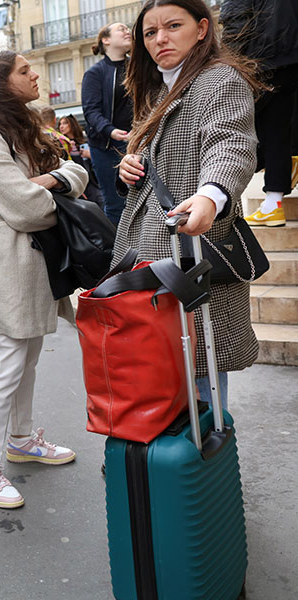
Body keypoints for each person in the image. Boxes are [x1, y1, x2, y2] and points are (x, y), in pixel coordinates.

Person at [117, 0, 263, 409]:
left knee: (199, 381)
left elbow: (231, 143)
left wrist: (212, 194)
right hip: (151, 253)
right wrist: (129, 165)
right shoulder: (156, 91)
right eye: (150, 32)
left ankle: (201, 467)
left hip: (193, 252)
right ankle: (173, 467)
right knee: (164, 373)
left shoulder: (219, 80)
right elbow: (158, 159)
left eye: (172, 26)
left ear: (201, 29)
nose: (161, 38)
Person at [0, 50, 86, 509]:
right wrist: (54, 182)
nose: (35, 75)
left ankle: (21, 439)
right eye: (24, 71)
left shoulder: (21, 130)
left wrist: (46, 180)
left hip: (30, 258)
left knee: (28, 353)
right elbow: (30, 208)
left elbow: (77, 172)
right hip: (7, 258)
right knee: (9, 358)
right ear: (0, 84)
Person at [221, 0, 298, 227]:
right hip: (290, 60)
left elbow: (235, 23)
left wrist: (227, 65)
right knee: (277, 132)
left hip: (260, 61)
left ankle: (217, 200)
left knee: (231, 128)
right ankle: (272, 204)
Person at [81, 22, 133, 225]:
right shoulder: (95, 73)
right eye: (121, 29)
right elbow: (91, 111)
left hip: (137, 141)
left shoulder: (138, 66)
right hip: (106, 146)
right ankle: (119, 253)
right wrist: (110, 131)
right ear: (106, 40)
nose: (127, 31)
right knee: (115, 204)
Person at [58, 114, 104, 207]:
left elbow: (99, 160)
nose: (61, 126)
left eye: (65, 123)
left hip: (91, 181)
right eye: (60, 124)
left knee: (99, 205)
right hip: (75, 181)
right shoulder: (61, 145)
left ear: (72, 124)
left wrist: (90, 155)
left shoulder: (85, 141)